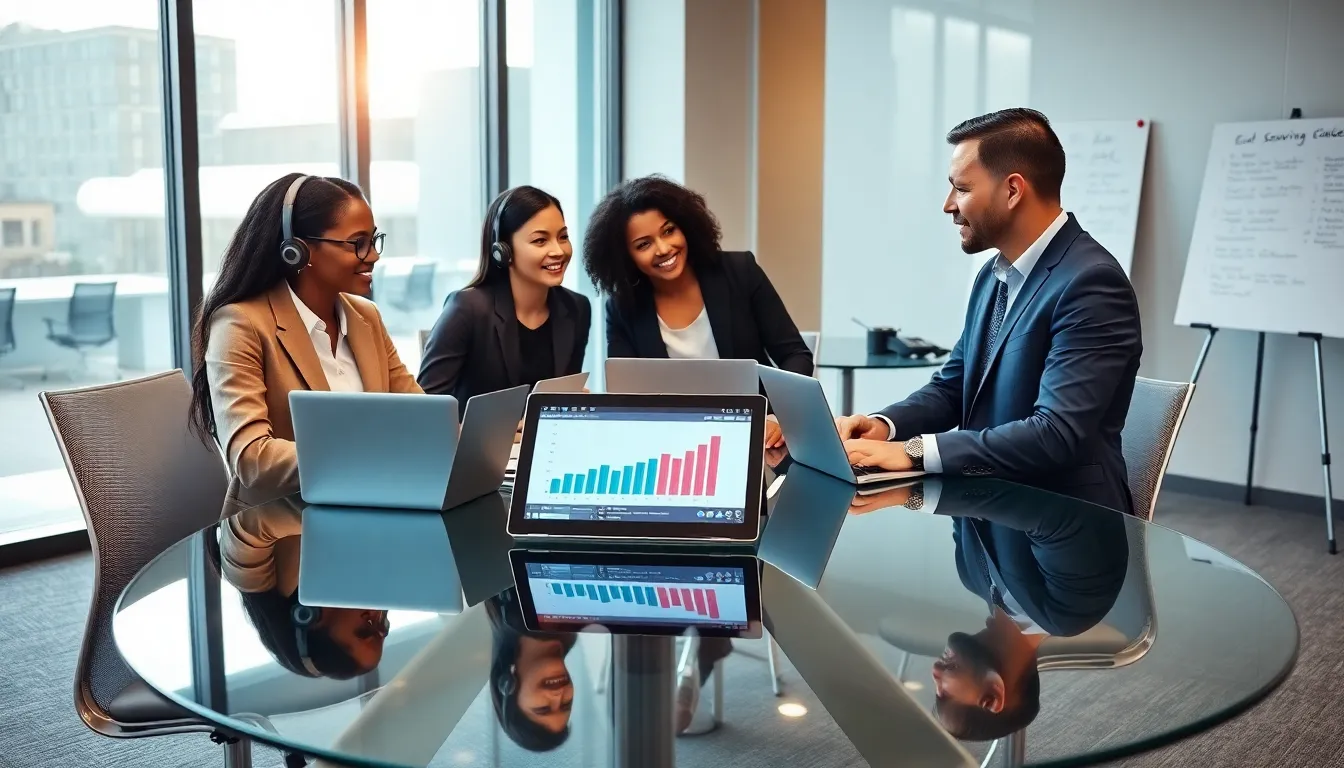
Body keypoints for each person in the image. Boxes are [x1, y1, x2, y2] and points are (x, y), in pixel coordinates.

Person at [836, 108, 1142, 513]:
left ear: (1013, 190)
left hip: (1064, 521)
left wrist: (912, 452)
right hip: (989, 510)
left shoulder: (1092, 283)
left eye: (961, 188)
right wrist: (885, 426)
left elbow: (1056, 434)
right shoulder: (993, 276)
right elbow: (953, 386)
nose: (948, 205)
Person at [189, 173, 421, 514]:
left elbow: (419, 415)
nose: (373, 255)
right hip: (282, 524)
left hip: (370, 507)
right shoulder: (240, 324)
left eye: (374, 240)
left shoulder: (366, 317)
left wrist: (468, 442)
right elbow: (252, 458)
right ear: (298, 250)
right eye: (357, 243)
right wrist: (367, 456)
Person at [851, 478, 1129, 740]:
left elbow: (956, 492)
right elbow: (1054, 514)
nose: (934, 672)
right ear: (992, 696)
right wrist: (912, 495)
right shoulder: (1069, 610)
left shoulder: (971, 575)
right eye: (944, 694)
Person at [582, 174, 813, 448]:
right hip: (674, 444)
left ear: (686, 226)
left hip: (757, 435)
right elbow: (626, 394)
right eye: (644, 244)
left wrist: (777, 416)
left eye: (669, 231)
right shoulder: (622, 308)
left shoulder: (740, 272)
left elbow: (795, 355)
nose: (663, 248)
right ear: (625, 257)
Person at [418, 186, 591, 403]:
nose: (558, 251)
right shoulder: (467, 309)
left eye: (563, 237)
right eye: (540, 240)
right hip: (475, 428)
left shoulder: (576, 308)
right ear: (503, 250)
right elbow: (426, 407)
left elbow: (563, 400)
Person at [215, 499, 391, 679]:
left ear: (311, 619)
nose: (378, 612)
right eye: (383, 625)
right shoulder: (355, 565)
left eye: (366, 628)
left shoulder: (246, 572)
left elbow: (254, 517)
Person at [485, 590, 578, 752]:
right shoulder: (578, 621)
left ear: (508, 685)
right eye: (565, 704)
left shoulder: (504, 599)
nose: (558, 697)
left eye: (543, 708)